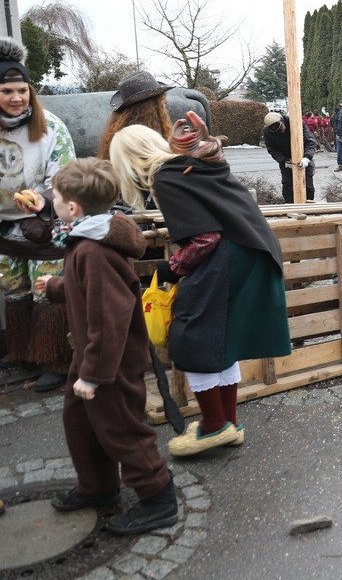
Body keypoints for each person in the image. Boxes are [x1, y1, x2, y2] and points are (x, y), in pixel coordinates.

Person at [109, 119, 292, 457]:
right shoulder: (187, 164)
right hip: (254, 250)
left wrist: (170, 268)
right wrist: (206, 147)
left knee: (194, 338)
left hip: (227, 257)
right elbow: (216, 164)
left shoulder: (166, 177)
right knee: (221, 341)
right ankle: (227, 424)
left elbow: (206, 238)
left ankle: (213, 426)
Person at [36, 158, 177, 535]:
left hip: (107, 365)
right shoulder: (84, 239)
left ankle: (158, 495)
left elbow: (108, 316)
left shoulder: (93, 250)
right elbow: (86, 290)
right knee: (79, 424)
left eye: (55, 195)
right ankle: (98, 488)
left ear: (72, 207)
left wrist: (95, 376)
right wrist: (55, 288)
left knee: (122, 431)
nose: (50, 199)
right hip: (90, 357)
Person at [0, 38, 77, 392]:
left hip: (44, 225)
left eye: (22, 90)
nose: (16, 98)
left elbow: (65, 178)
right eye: (6, 91)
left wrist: (43, 201)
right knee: (13, 291)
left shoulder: (51, 128)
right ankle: (22, 352)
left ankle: (55, 359)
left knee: (46, 292)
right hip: (4, 229)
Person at [98, 70, 173, 160]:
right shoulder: (136, 142)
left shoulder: (120, 139)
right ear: (148, 108)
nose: (166, 100)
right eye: (161, 98)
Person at [263, 111, 316, 202]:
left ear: (282, 120)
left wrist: (307, 157)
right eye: (277, 131)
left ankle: (309, 207)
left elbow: (311, 142)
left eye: (281, 127)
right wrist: (284, 161)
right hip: (286, 160)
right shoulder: (268, 132)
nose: (281, 131)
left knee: (308, 186)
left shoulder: (297, 123)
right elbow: (272, 149)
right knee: (287, 186)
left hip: (303, 158)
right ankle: (290, 206)